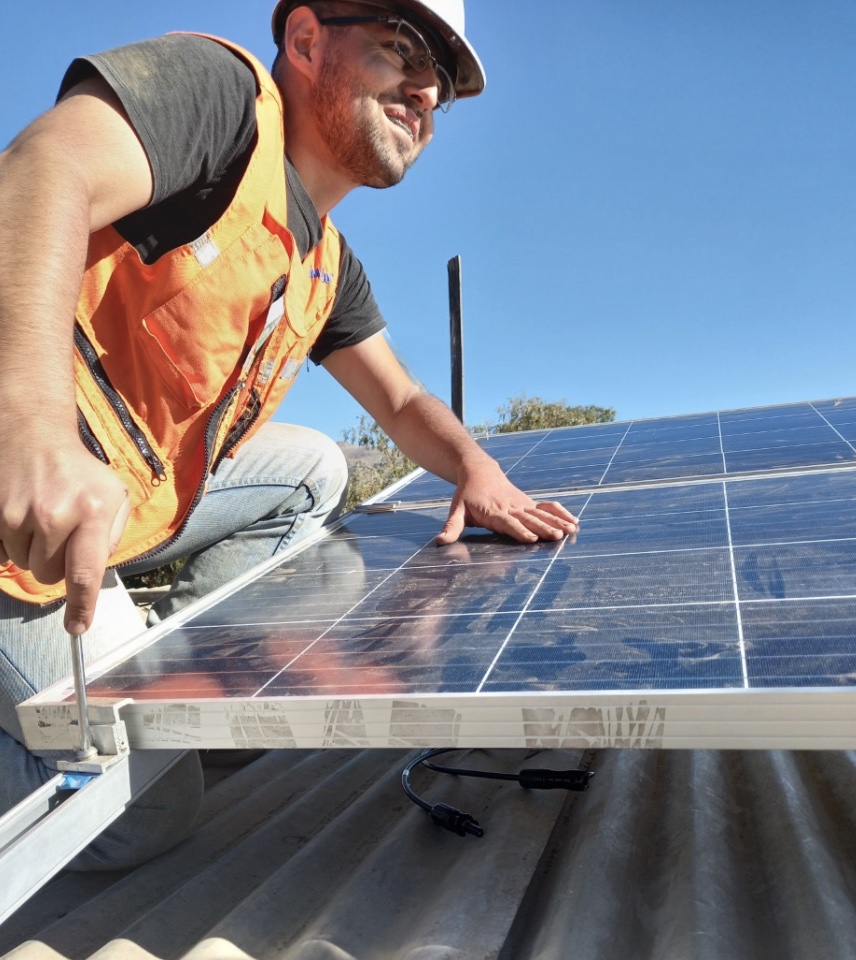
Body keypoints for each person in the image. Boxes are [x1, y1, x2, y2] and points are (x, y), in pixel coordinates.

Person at [0, 0, 578, 867]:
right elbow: (39, 170)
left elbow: (399, 400)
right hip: (20, 500)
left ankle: (170, 683)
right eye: (403, 50)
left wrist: (476, 469)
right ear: (305, 40)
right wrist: (32, 430)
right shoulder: (224, 100)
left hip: (110, 504)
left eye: (442, 85)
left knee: (314, 467)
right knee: (144, 815)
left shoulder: (325, 262)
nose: (425, 89)